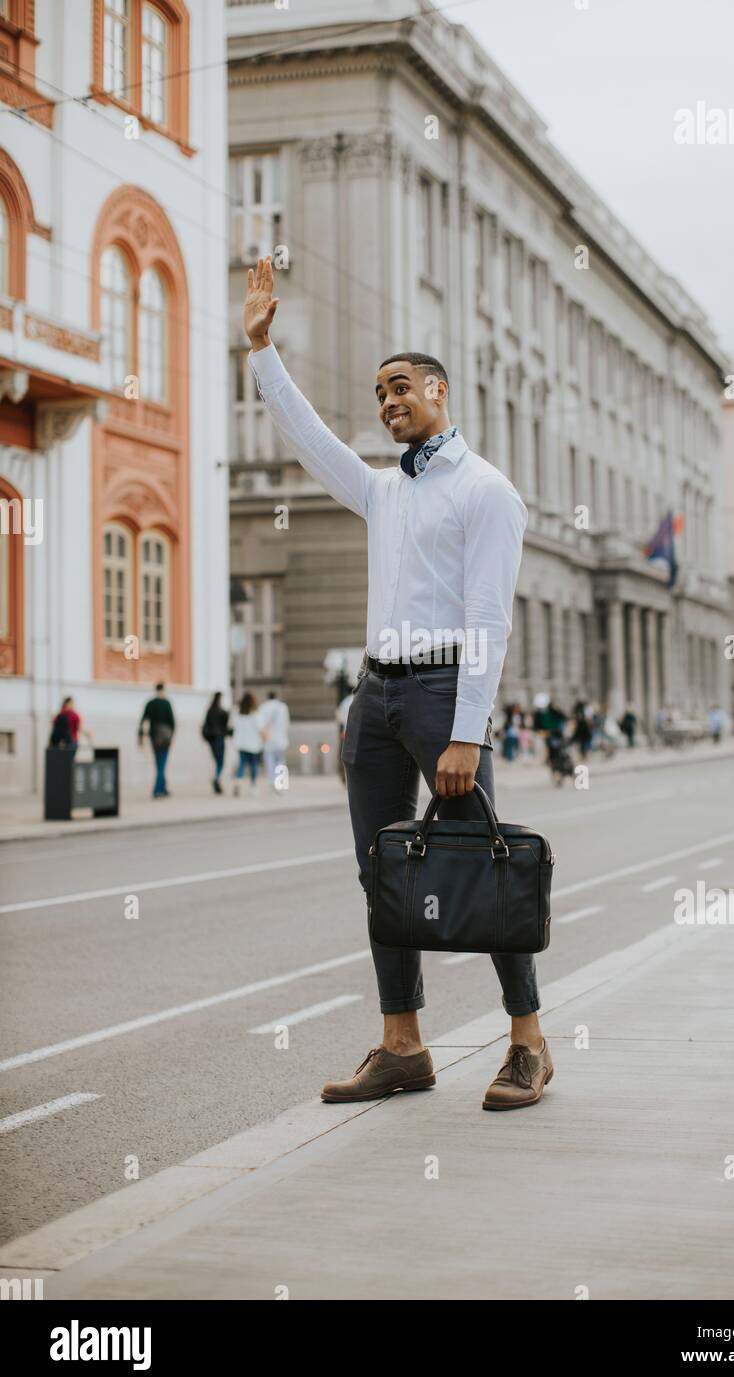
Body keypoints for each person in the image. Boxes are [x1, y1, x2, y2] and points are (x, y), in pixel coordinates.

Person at [245, 255, 550, 1112]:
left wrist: (469, 730)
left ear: (440, 393)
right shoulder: (383, 491)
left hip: (445, 696)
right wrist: (264, 354)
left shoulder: (486, 492)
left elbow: (489, 619)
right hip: (375, 701)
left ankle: (528, 1042)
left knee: (484, 869)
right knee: (380, 871)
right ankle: (402, 1045)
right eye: (380, 393)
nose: (388, 403)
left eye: (402, 388)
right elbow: (309, 440)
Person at [138, 682, 175, 798]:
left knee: (159, 762)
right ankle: (157, 790)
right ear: (163, 690)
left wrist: (140, 736)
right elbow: (172, 722)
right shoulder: (167, 703)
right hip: (165, 737)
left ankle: (163, 787)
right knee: (162, 764)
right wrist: (171, 735)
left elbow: (143, 719)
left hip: (154, 735)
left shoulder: (150, 703)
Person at [258, 689, 291, 791]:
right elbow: (286, 723)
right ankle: (281, 783)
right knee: (280, 761)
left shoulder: (263, 707)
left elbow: (261, 725)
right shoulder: (283, 707)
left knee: (269, 761)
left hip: (268, 739)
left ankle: (272, 780)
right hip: (280, 739)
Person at [232, 691, 263, 796]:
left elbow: (233, 726)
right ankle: (253, 786)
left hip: (241, 743)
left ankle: (238, 782)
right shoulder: (255, 714)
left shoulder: (237, 713)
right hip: (253, 744)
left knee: (242, 764)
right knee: (253, 765)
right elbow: (260, 728)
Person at [202, 692, 231, 794]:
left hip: (211, 739)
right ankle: (217, 777)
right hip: (219, 738)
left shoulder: (210, 710)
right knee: (220, 762)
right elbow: (226, 725)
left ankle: (216, 777)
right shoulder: (222, 712)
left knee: (217, 760)